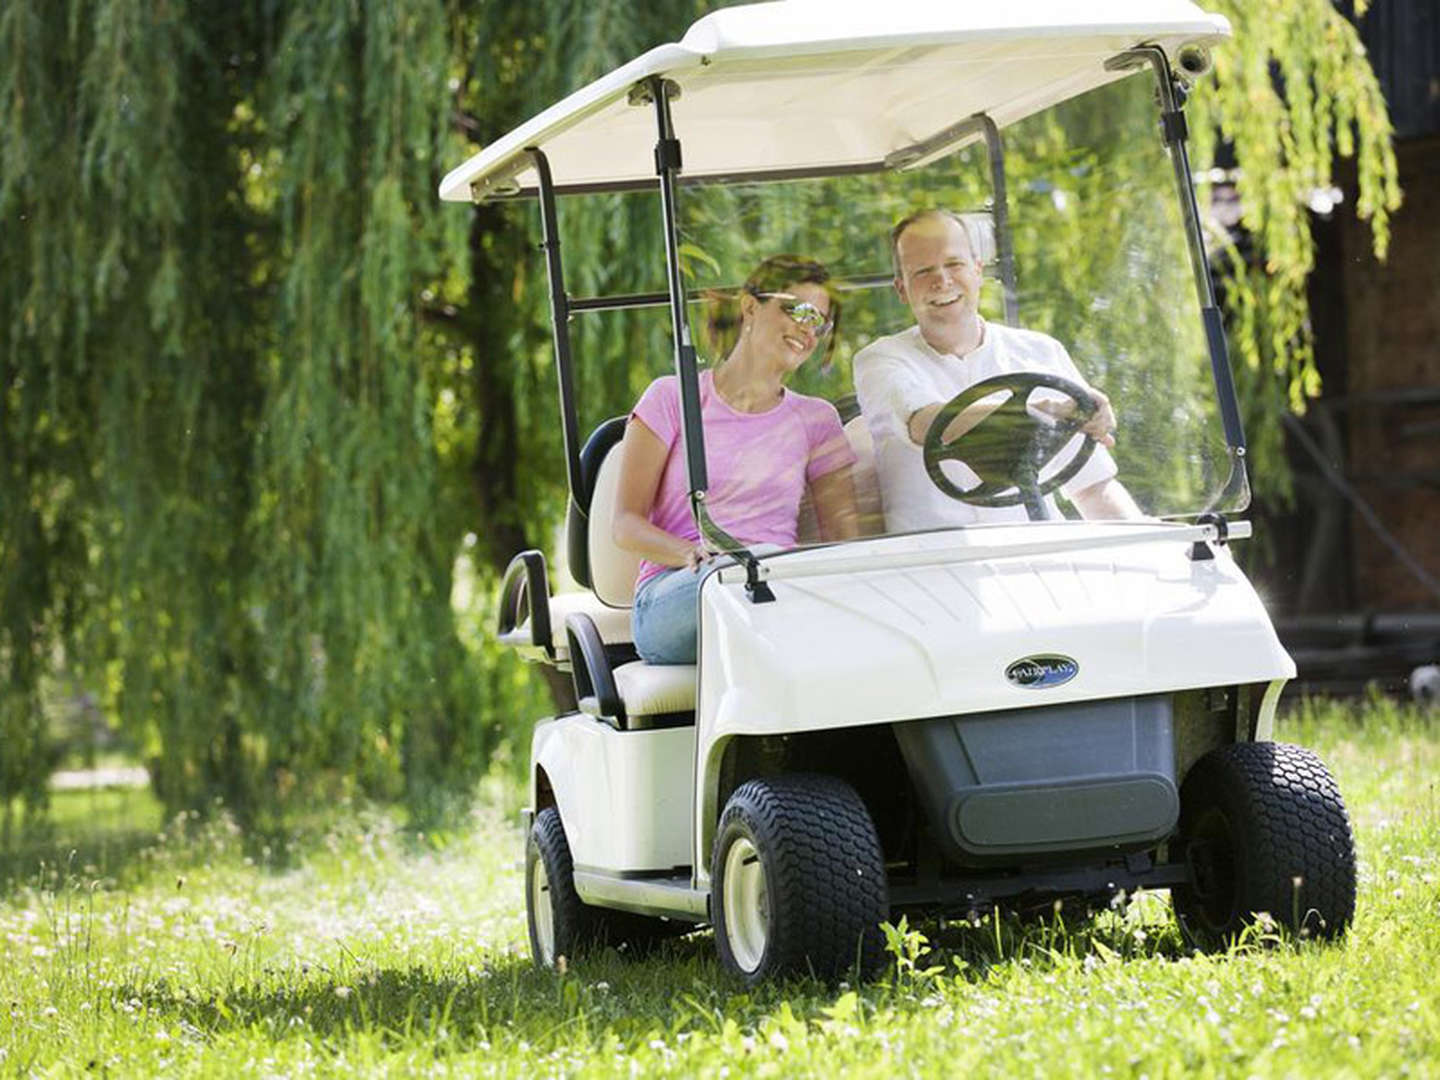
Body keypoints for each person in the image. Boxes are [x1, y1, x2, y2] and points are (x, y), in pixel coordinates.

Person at [614, 255, 859, 665]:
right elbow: (625, 524)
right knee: (728, 586)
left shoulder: (817, 420)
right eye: (797, 310)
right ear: (750, 306)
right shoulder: (672, 399)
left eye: (818, 321)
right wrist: (688, 555)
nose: (807, 328)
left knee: (771, 590)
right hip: (682, 590)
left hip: (772, 583)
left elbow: (844, 540)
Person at [853, 209, 1142, 530]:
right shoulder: (880, 360)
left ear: (978, 271)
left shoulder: (1041, 352)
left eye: (954, 264)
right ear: (902, 290)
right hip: (933, 563)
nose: (942, 281)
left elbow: (1093, 488)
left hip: (1036, 553)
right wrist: (1041, 411)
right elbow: (926, 423)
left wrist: (1150, 550)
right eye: (922, 271)